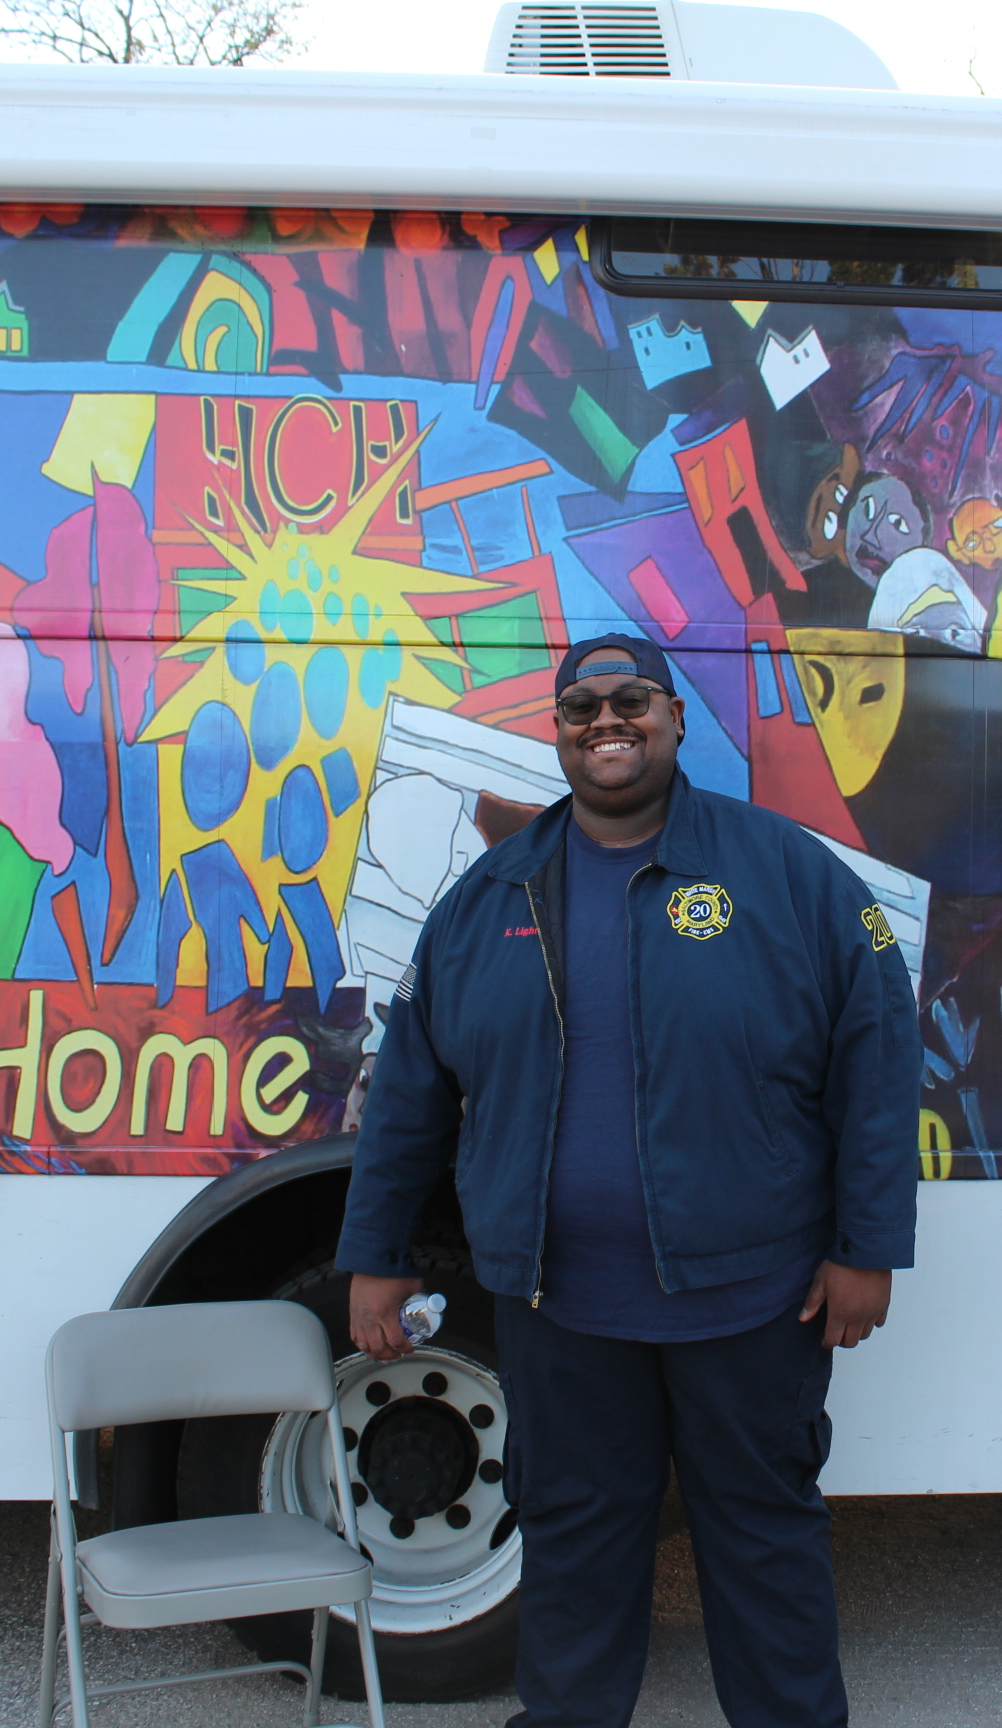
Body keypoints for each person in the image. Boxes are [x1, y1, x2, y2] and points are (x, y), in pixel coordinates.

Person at [336, 632, 923, 1728]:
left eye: (631, 701)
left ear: (674, 718)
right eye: (582, 708)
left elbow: (879, 1057)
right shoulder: (487, 896)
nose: (607, 722)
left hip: (751, 1296)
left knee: (764, 1538)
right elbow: (409, 1091)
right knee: (572, 1542)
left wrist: (868, 1247)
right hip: (559, 1302)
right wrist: (372, 1256)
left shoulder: (785, 873)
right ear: (557, 732)